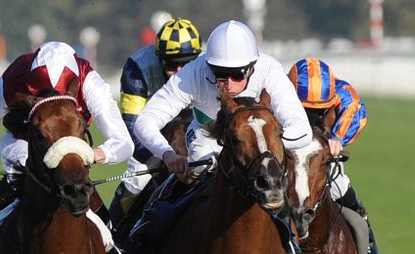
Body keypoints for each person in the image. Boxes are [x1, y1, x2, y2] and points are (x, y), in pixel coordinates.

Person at [0, 41, 133, 254]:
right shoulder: (14, 78)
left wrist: (94, 154)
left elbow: (123, 142)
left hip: (73, 148)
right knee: (26, 179)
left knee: (81, 191)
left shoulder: (89, 82)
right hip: (23, 143)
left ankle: (110, 245)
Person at [130, 20, 312, 242]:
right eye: (219, 74)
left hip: (260, 144)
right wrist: (167, 154)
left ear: (252, 67)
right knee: (197, 164)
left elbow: (302, 130)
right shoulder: (193, 73)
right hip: (207, 135)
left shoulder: (270, 70)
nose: (228, 84)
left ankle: (291, 244)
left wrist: (263, 144)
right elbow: (145, 120)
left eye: (237, 75)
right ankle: (151, 231)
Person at [288, 57, 381, 254]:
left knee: (345, 193)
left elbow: (356, 112)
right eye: (305, 111)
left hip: (320, 160)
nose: (312, 118)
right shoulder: (279, 92)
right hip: (287, 161)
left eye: (319, 113)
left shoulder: (344, 94)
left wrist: (337, 138)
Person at [110, 17, 202, 231]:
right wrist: (163, 157)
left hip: (196, 130)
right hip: (153, 136)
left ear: (196, 59)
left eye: (186, 64)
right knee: (135, 184)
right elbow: (132, 127)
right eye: (171, 65)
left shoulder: (207, 66)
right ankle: (114, 237)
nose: (179, 72)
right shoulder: (137, 69)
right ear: (159, 59)